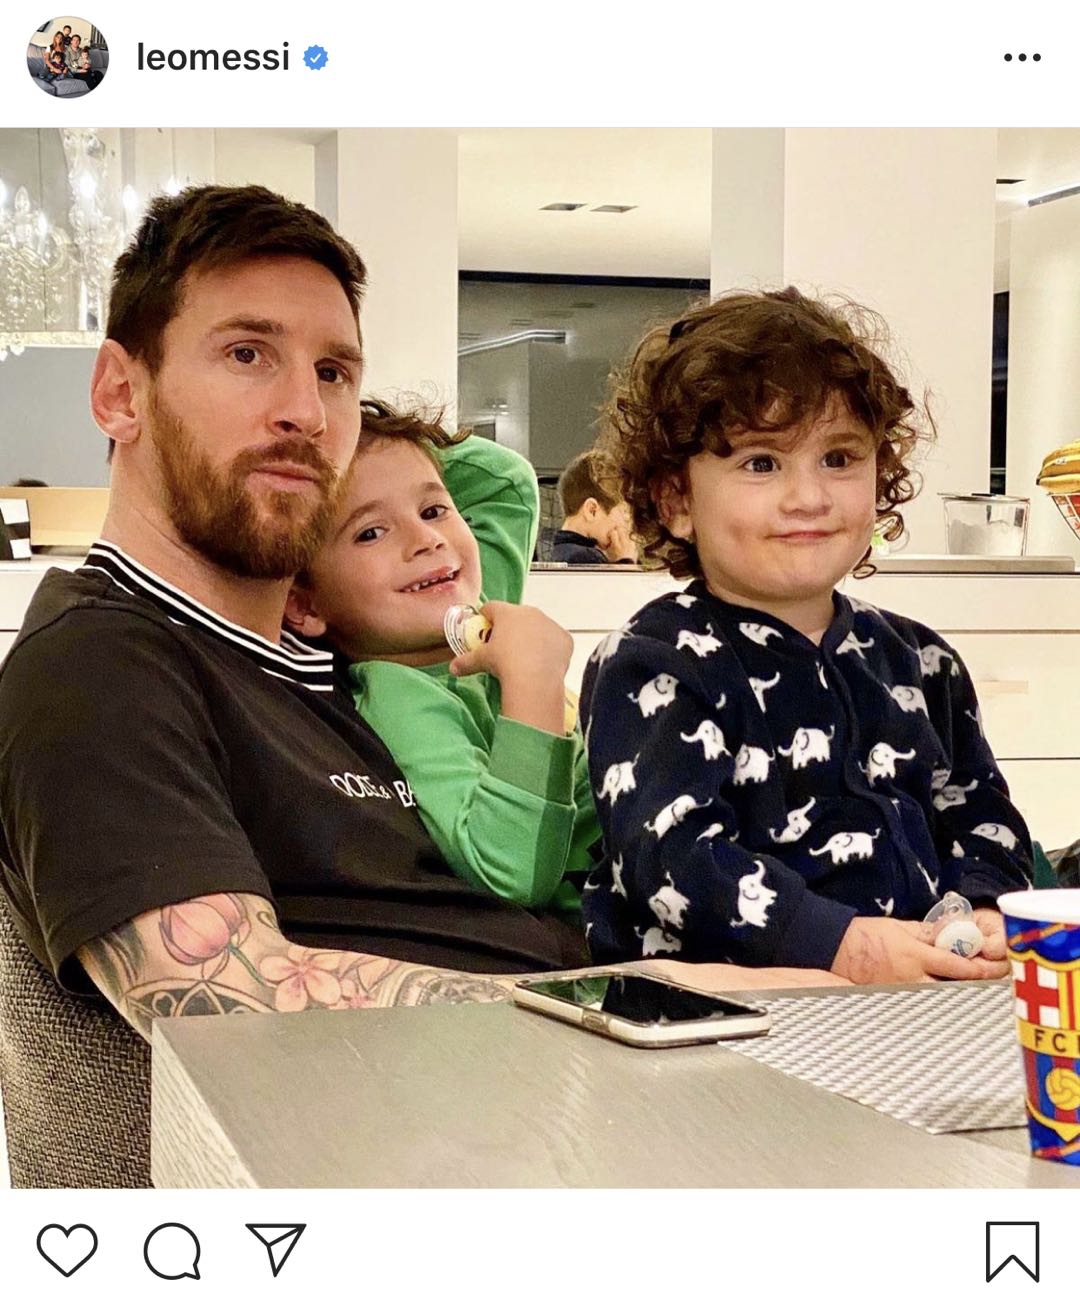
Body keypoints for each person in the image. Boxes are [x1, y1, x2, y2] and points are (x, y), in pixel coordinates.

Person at [0, 189, 838, 1053]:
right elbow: (221, 996)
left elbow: (488, 486)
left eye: (335, 373)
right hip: (500, 1091)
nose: (308, 414)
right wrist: (657, 997)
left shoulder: (336, 650)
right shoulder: (100, 663)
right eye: (248, 354)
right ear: (120, 394)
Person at [580, 287, 1029, 983]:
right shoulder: (650, 661)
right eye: (761, 463)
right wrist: (841, 946)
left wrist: (990, 907)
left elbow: (981, 814)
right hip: (727, 1009)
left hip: (921, 998)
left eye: (839, 458)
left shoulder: (923, 660)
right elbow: (671, 857)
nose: (809, 498)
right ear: (675, 501)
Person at [286, 400, 599, 915]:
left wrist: (358, 432)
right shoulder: (402, 695)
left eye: (433, 511)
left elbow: (507, 481)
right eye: (370, 532)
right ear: (306, 604)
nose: (426, 540)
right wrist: (534, 683)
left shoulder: (469, 608)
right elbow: (509, 871)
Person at [552, 449, 637, 564]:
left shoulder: (560, 551)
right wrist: (626, 561)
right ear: (592, 510)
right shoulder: (587, 558)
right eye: (625, 515)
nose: (628, 527)